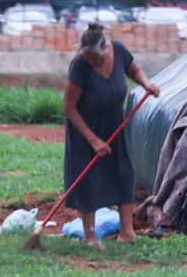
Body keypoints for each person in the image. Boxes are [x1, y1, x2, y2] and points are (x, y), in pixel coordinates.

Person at [63, 23, 159, 250]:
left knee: (124, 172)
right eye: (87, 59)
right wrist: (94, 140)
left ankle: (127, 232)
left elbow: (134, 70)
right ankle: (90, 236)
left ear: (106, 49)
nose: (91, 63)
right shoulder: (79, 67)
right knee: (89, 180)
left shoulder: (119, 50)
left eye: (95, 59)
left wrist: (146, 84)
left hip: (115, 124)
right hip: (86, 128)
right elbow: (69, 107)